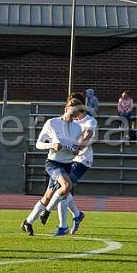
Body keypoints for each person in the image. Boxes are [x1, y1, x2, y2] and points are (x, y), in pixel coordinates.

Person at [22, 97, 84, 235]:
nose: (73, 117)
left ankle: (28, 222)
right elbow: (38, 144)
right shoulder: (52, 123)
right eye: (72, 113)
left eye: (76, 114)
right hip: (53, 163)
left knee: (48, 196)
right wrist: (52, 145)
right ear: (66, 109)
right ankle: (48, 212)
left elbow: (78, 147)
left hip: (67, 164)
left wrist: (77, 150)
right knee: (67, 186)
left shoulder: (77, 128)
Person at [38, 97, 96, 235]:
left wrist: (78, 145)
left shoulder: (89, 120)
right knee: (64, 189)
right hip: (67, 159)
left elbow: (88, 134)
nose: (74, 115)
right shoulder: (69, 120)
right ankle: (75, 216)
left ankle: (62, 222)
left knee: (64, 188)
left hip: (82, 160)